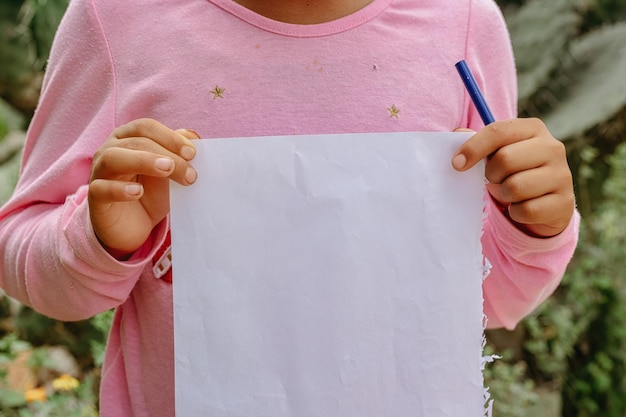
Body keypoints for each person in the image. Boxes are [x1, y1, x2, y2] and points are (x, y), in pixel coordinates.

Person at [0, 0, 579, 415]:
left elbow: (487, 301)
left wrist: (536, 226)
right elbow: (21, 247)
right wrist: (100, 241)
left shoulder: (463, 22)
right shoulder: (116, 19)